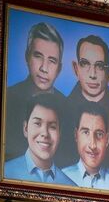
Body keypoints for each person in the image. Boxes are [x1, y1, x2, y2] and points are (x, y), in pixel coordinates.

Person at [63, 35, 109, 172]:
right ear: (76, 69)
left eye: (99, 66)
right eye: (85, 63)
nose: (92, 74)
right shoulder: (59, 111)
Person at [5, 22, 66, 160]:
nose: (44, 68)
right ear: (27, 57)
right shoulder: (7, 99)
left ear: (59, 69)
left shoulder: (67, 106)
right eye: (38, 56)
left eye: (52, 61)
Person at [4, 94, 76, 186]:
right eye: (37, 123)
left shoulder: (70, 186)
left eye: (52, 127)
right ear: (26, 128)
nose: (45, 134)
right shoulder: (5, 173)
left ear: (59, 134)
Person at [62, 101, 109, 192]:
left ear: (107, 140)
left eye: (99, 134)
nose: (92, 145)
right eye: (86, 132)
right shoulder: (60, 178)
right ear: (76, 135)